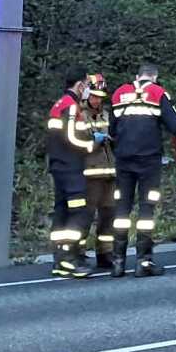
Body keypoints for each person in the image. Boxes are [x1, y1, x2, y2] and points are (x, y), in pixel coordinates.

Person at [108, 64, 176, 278]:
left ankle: (118, 262)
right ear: (155, 77)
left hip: (123, 160)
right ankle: (143, 262)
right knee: (146, 211)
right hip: (148, 160)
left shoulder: (119, 93)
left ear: (137, 76)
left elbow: (111, 129)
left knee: (122, 210)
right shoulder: (158, 93)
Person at [46, 68, 104, 278]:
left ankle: (60, 259)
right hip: (70, 168)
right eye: (87, 86)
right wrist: (92, 144)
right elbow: (71, 138)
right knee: (79, 211)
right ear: (80, 85)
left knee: (62, 212)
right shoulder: (70, 106)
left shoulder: (60, 103)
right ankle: (68, 258)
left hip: (59, 166)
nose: (88, 91)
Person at [81, 73, 117, 269]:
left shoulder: (106, 114)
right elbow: (76, 143)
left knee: (109, 216)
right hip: (89, 175)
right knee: (85, 216)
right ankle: (78, 254)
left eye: (100, 97)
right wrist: (94, 141)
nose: (97, 100)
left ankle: (105, 253)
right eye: (93, 96)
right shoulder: (79, 114)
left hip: (109, 173)